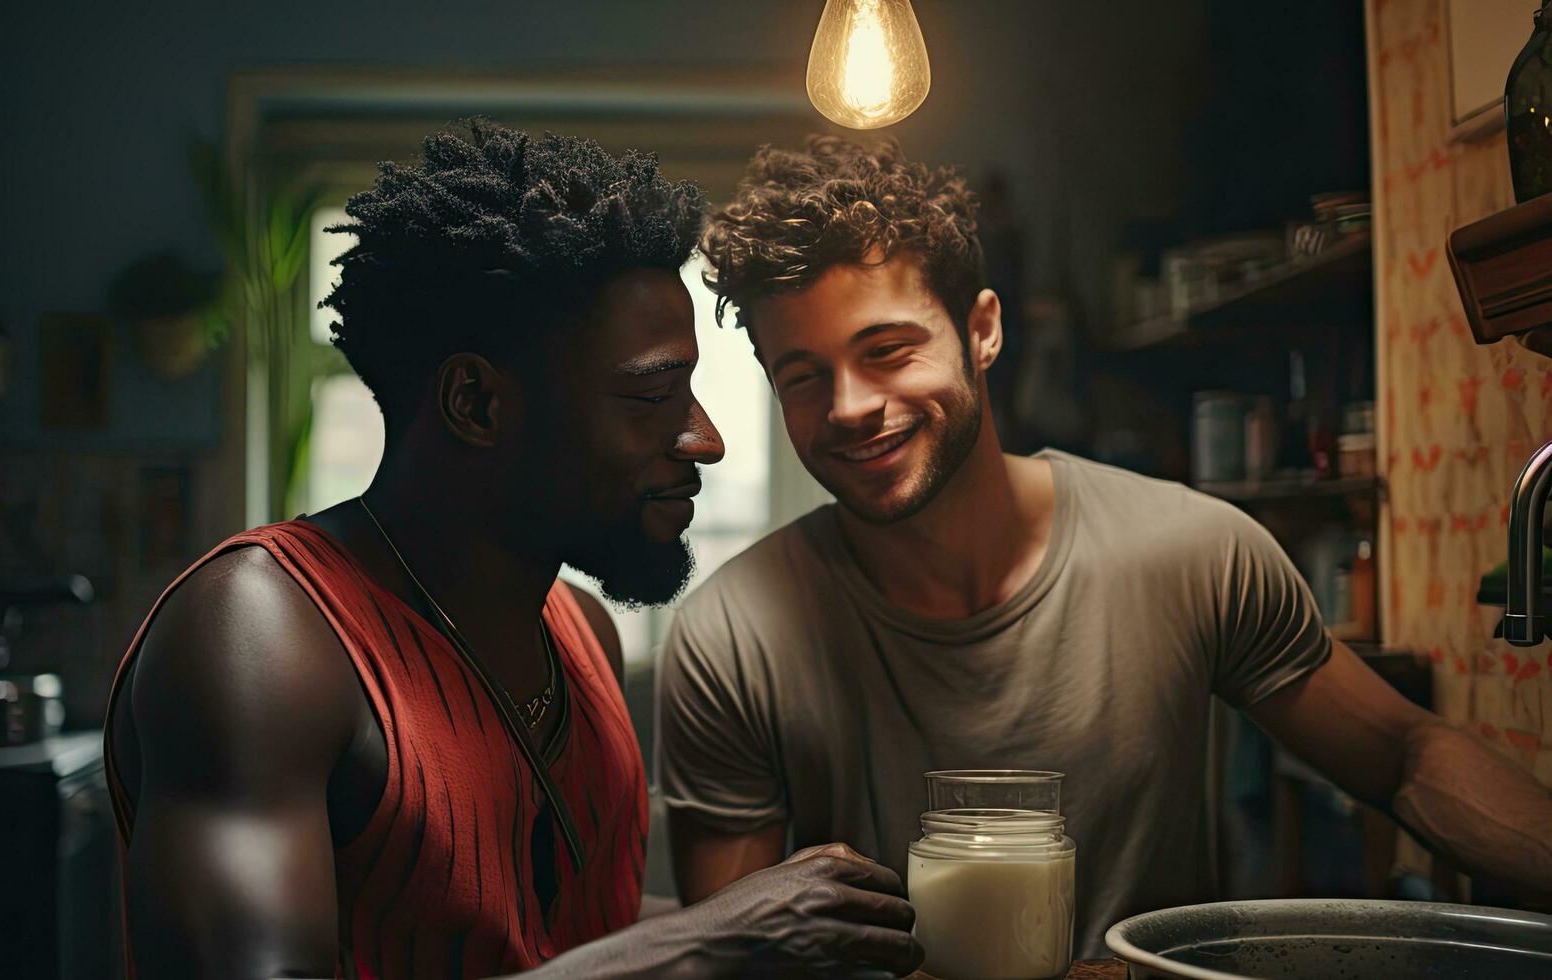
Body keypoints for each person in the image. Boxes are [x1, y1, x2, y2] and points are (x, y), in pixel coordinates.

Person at [655, 135, 1552, 956]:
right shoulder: (734, 637)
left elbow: (1403, 759)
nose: (848, 406)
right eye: (804, 377)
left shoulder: (1192, 553)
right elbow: (733, 954)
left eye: (887, 350)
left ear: (982, 331)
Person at [103, 121, 923, 980]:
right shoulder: (262, 638)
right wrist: (709, 940)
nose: (705, 439)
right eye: (649, 395)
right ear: (477, 404)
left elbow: (543, 940)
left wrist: (805, 926)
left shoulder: (582, 637)